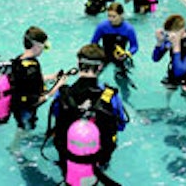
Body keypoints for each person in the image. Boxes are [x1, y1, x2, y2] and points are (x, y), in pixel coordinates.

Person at [49, 44, 128, 179]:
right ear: (100, 67)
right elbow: (121, 126)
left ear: (79, 65)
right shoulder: (110, 96)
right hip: (98, 158)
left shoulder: (63, 94)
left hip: (68, 157)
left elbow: (58, 117)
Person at [9, 26, 66, 131]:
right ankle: (14, 147)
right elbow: (36, 101)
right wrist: (58, 86)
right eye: (44, 46)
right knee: (24, 134)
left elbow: (29, 80)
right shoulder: (32, 67)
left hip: (17, 105)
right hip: (25, 109)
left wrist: (52, 77)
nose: (44, 50)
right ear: (36, 46)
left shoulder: (20, 59)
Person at [91, 2, 139, 100]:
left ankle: (125, 100)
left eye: (114, 16)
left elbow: (134, 46)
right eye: (109, 16)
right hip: (105, 55)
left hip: (121, 57)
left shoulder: (128, 29)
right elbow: (93, 43)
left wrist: (127, 54)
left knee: (122, 81)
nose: (110, 19)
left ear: (121, 15)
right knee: (93, 77)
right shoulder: (102, 26)